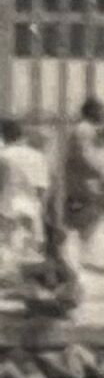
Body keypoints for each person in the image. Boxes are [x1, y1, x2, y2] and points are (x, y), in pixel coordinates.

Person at [52, 101, 104, 282]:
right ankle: (78, 262)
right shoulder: (84, 130)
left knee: (83, 220)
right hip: (85, 185)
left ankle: (77, 259)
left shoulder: (88, 130)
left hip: (84, 185)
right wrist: (101, 171)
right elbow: (83, 156)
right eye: (101, 110)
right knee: (82, 220)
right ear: (92, 112)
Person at [0, 120, 48, 283]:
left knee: (8, 244)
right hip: (31, 205)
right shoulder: (37, 156)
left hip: (9, 203)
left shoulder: (4, 156)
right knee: (30, 248)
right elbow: (42, 188)